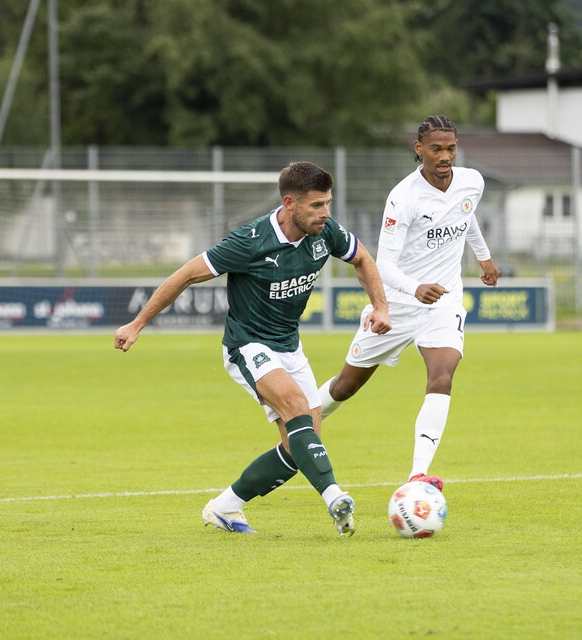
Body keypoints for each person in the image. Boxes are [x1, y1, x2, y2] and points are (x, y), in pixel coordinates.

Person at [114, 161, 391, 537]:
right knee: (296, 410)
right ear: (290, 203)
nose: (325, 213)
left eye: (327, 203)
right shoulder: (250, 240)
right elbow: (185, 275)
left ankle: (225, 507)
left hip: (290, 347)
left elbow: (362, 258)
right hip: (248, 344)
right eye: (316, 206)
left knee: (300, 450)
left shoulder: (326, 233)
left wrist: (380, 306)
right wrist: (137, 324)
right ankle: (335, 497)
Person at [317, 115, 500, 492]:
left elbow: (467, 215)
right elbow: (382, 263)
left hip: (443, 302)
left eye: (450, 148)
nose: (445, 156)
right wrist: (415, 287)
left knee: (442, 375)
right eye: (436, 149)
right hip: (397, 305)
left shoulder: (472, 182)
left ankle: (418, 474)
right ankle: (298, 424)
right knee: (344, 387)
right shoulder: (404, 197)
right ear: (419, 150)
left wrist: (483, 257)